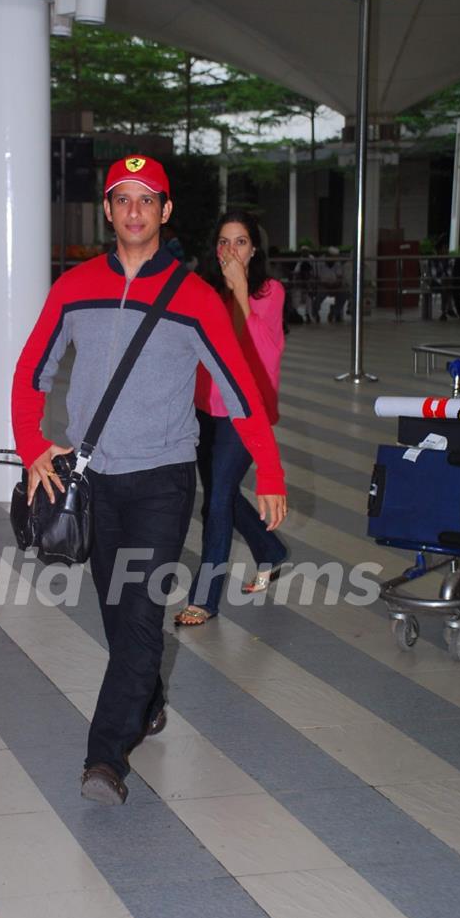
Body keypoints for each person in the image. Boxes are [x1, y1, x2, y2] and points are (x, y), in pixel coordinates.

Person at [12, 155, 287, 806]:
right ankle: (151, 699)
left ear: (165, 212)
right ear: (108, 211)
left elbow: (242, 391)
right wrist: (32, 446)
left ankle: (105, 757)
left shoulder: (195, 299)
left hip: (162, 484)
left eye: (147, 199)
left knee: (137, 617)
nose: (134, 210)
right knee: (120, 616)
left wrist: (269, 472)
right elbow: (31, 371)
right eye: (122, 199)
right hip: (96, 481)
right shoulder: (75, 287)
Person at [175, 210, 287, 626]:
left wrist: (240, 292)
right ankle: (271, 551)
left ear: (254, 248)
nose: (231, 250)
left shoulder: (269, 292)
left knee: (218, 501)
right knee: (221, 494)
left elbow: (259, 347)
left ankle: (205, 598)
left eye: (240, 242)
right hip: (204, 409)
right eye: (224, 242)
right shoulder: (205, 292)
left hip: (245, 412)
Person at [313, 246, 349, 323]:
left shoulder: (337, 262)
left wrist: (336, 284)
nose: (334, 259)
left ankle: (334, 311)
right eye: (333, 257)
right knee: (318, 296)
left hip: (335, 285)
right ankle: (315, 313)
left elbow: (340, 277)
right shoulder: (319, 262)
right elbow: (317, 278)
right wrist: (325, 285)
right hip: (322, 285)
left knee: (344, 293)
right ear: (327, 255)